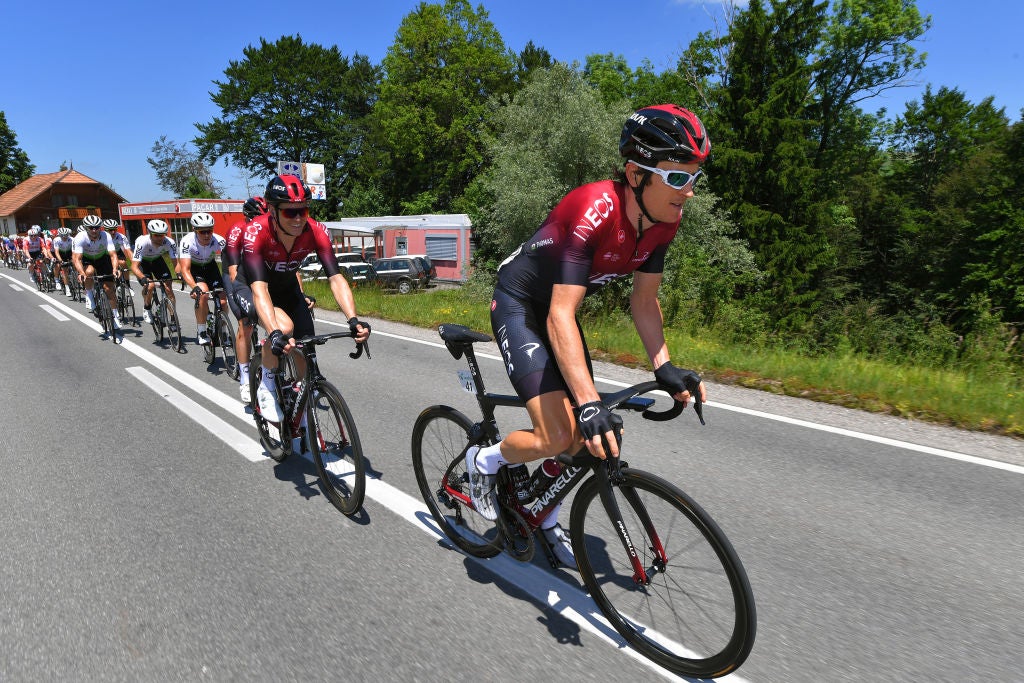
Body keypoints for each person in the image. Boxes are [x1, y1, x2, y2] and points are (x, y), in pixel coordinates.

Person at [467, 104, 711, 569]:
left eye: (695, 178)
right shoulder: (594, 208)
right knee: (560, 434)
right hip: (522, 305)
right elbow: (561, 312)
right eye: (678, 178)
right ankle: (487, 460)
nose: (690, 192)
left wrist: (664, 366)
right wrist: (588, 401)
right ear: (636, 174)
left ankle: (545, 515)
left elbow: (644, 302)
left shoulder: (666, 223)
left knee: (590, 437)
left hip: (557, 312)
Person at [235, 175, 370, 421]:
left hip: (288, 291)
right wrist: (274, 332)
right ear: (273, 211)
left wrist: (353, 320)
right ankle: (266, 385)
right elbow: (260, 289)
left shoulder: (316, 231)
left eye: (303, 210)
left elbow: (336, 278)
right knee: (284, 328)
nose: (298, 218)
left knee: (305, 351)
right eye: (290, 213)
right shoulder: (256, 232)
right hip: (251, 288)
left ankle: (295, 403)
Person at [224, 196, 267, 402]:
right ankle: (245, 376)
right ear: (248, 218)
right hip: (235, 274)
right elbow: (233, 271)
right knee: (245, 324)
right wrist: (247, 297)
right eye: (259, 217)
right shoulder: (237, 230)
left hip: (257, 274)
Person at [178, 212, 227, 346]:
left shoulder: (219, 240)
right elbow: (185, 269)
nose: (207, 235)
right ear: (194, 230)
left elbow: (230, 262)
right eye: (202, 232)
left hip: (211, 267)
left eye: (209, 231)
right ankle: (201, 331)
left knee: (222, 300)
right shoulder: (187, 242)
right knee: (203, 294)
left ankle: (224, 331)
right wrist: (194, 286)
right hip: (195, 268)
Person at [71, 214, 121, 329]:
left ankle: (115, 316)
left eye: (97, 227)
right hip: (87, 259)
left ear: (100, 227)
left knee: (109, 289)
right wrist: (81, 273)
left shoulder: (106, 235)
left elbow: (113, 255)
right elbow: (77, 259)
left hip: (102, 259)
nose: (94, 230)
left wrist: (115, 269)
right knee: (89, 272)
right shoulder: (80, 237)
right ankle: (89, 293)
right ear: (86, 228)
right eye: (91, 228)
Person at [131, 219, 179, 325]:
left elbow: (176, 263)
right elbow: (134, 266)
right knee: (150, 285)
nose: (160, 238)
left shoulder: (170, 242)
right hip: (143, 262)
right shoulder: (142, 242)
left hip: (157, 260)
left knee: (168, 288)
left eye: (162, 235)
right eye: (156, 235)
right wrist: (142, 277)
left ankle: (173, 317)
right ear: (150, 233)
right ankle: (147, 307)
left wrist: (180, 274)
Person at [52, 227, 75, 296]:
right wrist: (60, 260)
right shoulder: (56, 240)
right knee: (63, 270)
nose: (64, 237)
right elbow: (56, 252)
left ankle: (77, 279)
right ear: (59, 235)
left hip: (69, 253)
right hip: (61, 255)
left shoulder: (72, 239)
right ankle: (66, 287)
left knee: (75, 264)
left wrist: (74, 259)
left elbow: (74, 251)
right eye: (62, 235)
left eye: (66, 235)